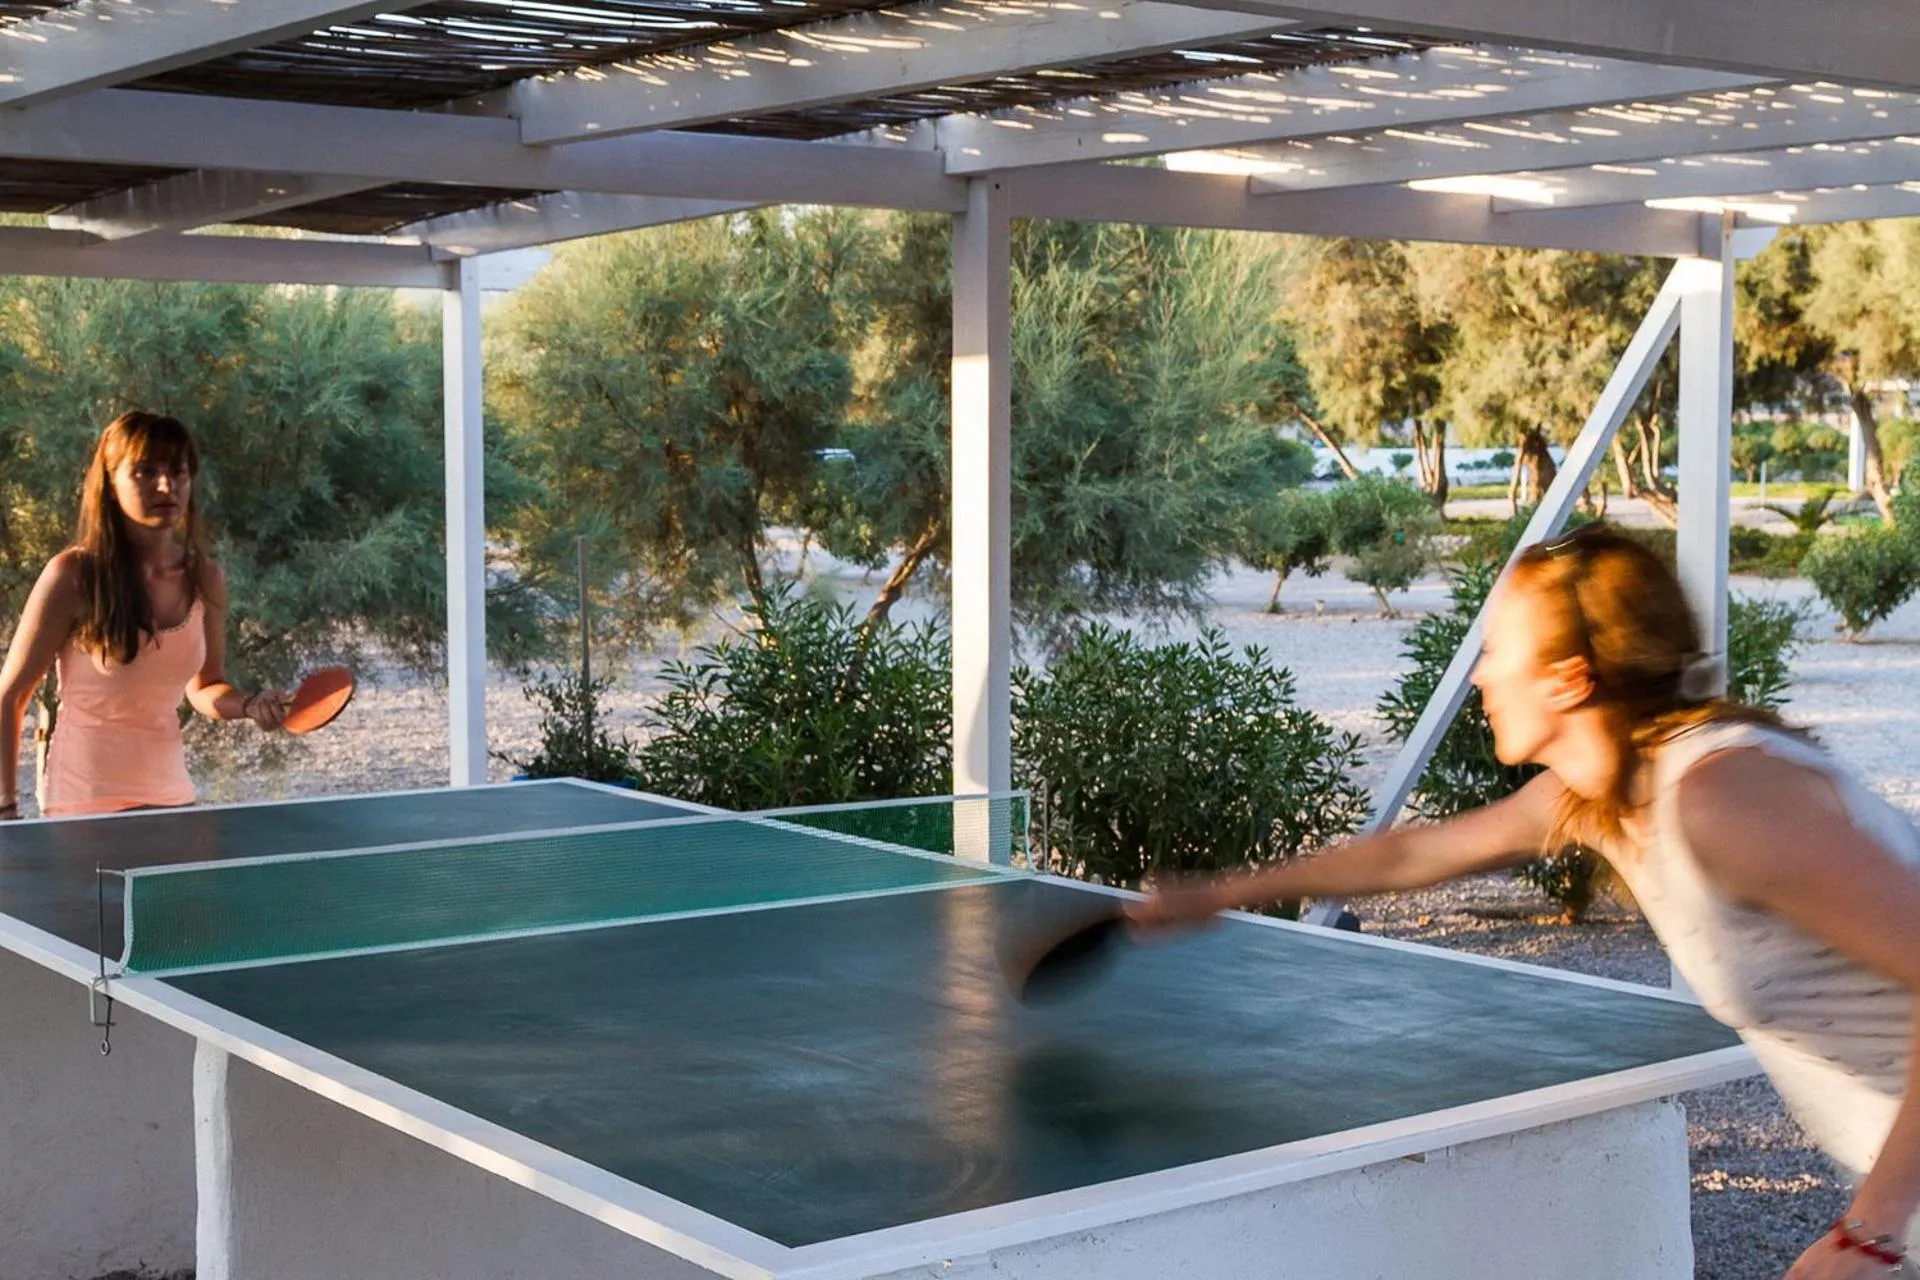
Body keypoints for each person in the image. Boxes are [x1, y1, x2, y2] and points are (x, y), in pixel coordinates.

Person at [1133, 524, 1920, 1279]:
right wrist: (1226, 891)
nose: (1478, 673)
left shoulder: (1723, 799)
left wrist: (1870, 1234)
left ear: (1569, 676)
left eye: (1496, 650)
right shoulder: (1604, 792)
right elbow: (1416, 852)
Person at [0, 411, 286, 820]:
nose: (166, 485)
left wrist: (251, 705)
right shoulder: (73, 576)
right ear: (111, 485)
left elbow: (206, 687)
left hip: (173, 799)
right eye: (145, 472)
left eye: (178, 471)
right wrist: (5, 808)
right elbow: (9, 697)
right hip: (84, 804)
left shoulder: (205, 577)